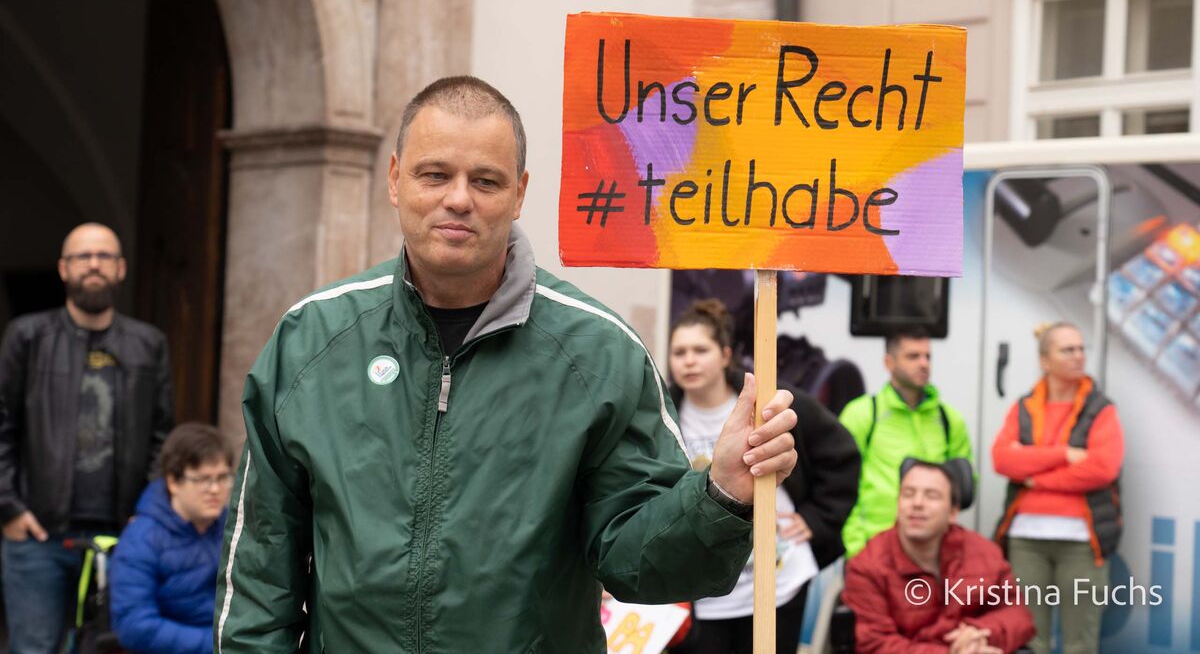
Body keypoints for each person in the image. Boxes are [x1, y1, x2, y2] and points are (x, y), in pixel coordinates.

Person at [214, 76, 800, 652]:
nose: (459, 198)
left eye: (486, 181)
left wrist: (720, 494)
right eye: (435, 174)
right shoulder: (311, 340)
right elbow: (261, 568)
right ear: (396, 179)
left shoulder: (598, 354)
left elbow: (639, 563)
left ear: (519, 193)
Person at [0, 223, 174, 654]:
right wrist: (9, 508)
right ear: (63, 268)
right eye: (83, 256)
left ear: (121, 269)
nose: (93, 265)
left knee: (112, 648)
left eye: (104, 256)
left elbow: (162, 436)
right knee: (34, 649)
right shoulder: (27, 337)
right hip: (38, 536)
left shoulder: (148, 344)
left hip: (124, 538)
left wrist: (147, 514)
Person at [665, 299, 860, 654]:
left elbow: (842, 456)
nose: (688, 360)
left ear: (725, 355)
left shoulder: (768, 404)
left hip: (778, 583)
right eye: (679, 352)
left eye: (699, 349)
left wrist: (818, 518)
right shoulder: (662, 416)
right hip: (701, 595)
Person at [992, 322, 1123, 654]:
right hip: (1026, 542)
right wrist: (1063, 455)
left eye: (1081, 349)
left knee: (1080, 643)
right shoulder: (1024, 407)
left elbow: (1101, 469)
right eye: (1068, 350)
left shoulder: (1102, 409)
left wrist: (1035, 476)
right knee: (1029, 639)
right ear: (1044, 360)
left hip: (1081, 544)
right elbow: (1003, 460)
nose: (1079, 356)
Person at [843, 459, 1035, 654]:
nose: (917, 503)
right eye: (908, 494)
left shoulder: (984, 553)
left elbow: (1018, 615)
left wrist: (981, 634)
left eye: (931, 496)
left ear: (953, 512)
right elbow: (875, 643)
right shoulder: (867, 565)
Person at [838, 325, 973, 558]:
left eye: (927, 356)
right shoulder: (862, 414)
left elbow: (962, 488)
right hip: (873, 551)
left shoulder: (949, 419)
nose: (924, 364)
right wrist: (858, 548)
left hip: (933, 554)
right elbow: (839, 485)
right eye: (913, 356)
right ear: (889, 363)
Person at [109, 422, 233, 654]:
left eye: (223, 477)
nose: (215, 489)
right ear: (173, 482)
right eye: (203, 479)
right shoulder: (142, 538)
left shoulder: (233, 528)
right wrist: (216, 645)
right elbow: (133, 625)